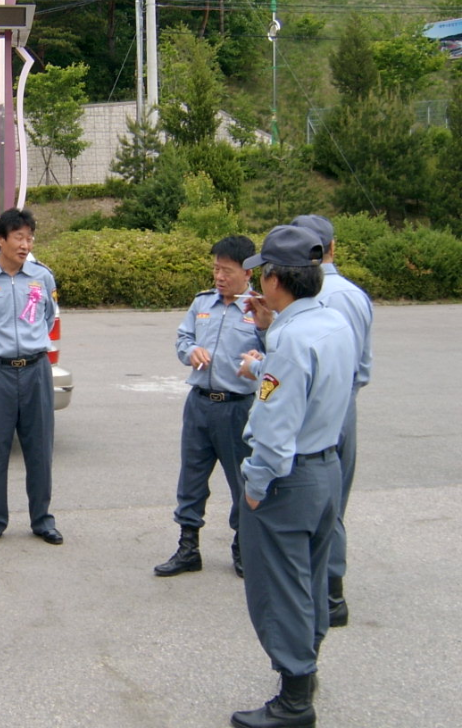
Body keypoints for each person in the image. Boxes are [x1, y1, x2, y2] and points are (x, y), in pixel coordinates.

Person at [230, 224, 355, 728]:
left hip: (289, 478)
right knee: (309, 582)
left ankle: (294, 699)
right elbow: (310, 385)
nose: (260, 282)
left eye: (263, 274)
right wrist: (267, 350)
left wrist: (256, 485)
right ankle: (307, 668)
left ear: (276, 280)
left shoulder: (291, 339)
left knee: (280, 589)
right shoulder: (333, 322)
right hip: (326, 469)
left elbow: (276, 426)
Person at [154, 236, 267, 579]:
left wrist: (261, 351)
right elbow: (184, 338)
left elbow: (277, 351)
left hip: (237, 408)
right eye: (216, 268)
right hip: (200, 404)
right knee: (192, 478)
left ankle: (243, 547)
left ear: (247, 273)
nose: (219, 276)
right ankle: (188, 547)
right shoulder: (202, 302)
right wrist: (191, 352)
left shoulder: (260, 310)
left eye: (227, 270)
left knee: (242, 482)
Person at [291, 214, 373, 628]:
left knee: (310, 498)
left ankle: (320, 593)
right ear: (332, 248)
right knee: (334, 502)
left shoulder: (310, 297)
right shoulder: (355, 295)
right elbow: (362, 366)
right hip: (346, 405)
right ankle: (330, 591)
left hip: (313, 411)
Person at [0, 207, 62, 548]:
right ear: (1, 240)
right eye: (19, 238)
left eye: (30, 238)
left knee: (40, 450)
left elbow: (47, 319)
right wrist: (0, 352)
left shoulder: (42, 277)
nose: (25, 245)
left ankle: (42, 520)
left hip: (36, 371)